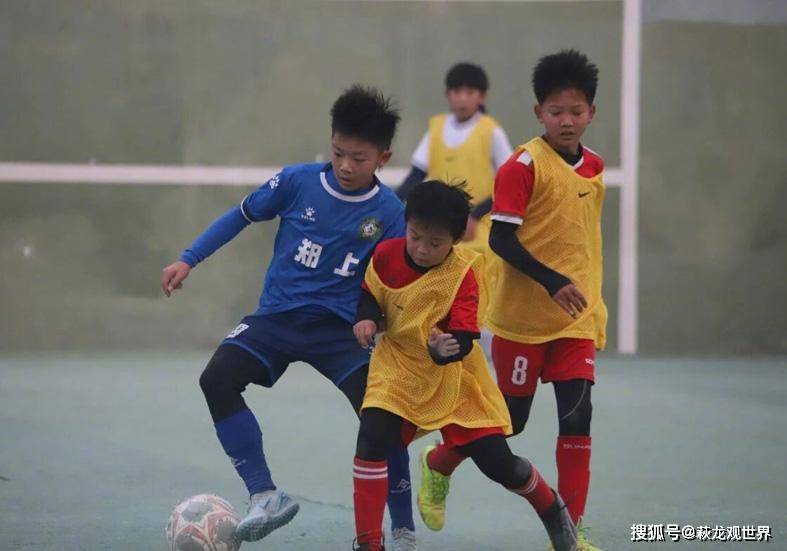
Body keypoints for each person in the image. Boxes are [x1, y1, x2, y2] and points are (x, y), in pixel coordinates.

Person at [160, 85, 417, 549]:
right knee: (216, 378)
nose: (345, 165)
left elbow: (396, 282)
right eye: (338, 152)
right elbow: (239, 216)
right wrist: (188, 258)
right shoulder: (296, 181)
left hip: (341, 333)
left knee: (385, 420)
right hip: (277, 319)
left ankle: (401, 529)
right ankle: (264, 495)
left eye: (358, 158)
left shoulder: (391, 213)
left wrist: (384, 324)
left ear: (383, 157)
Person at [417, 50, 606, 551]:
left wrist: (592, 300)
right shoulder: (522, 166)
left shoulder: (594, 167)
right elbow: (500, 239)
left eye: (577, 111)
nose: (567, 120)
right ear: (539, 112)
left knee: (578, 417)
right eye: (556, 111)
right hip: (522, 321)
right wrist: (551, 281)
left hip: (574, 320)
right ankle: (439, 461)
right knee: (508, 423)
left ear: (591, 113)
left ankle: (571, 531)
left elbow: (585, 241)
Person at [350, 181, 576, 551]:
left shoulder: (463, 273)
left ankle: (551, 509)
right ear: (406, 225)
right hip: (397, 368)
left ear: (455, 241)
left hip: (455, 377)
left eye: (435, 243)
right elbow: (369, 294)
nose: (422, 249)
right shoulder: (385, 254)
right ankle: (368, 543)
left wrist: (443, 349)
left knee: (498, 463)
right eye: (415, 236)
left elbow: (464, 338)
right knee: (372, 438)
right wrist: (366, 319)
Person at [397, 61, 513, 354]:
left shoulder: (490, 131)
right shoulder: (436, 129)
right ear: (448, 95)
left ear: (481, 96)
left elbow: (509, 181)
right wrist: (392, 207)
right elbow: (415, 176)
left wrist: (475, 215)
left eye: (470, 92)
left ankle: (481, 347)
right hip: (440, 228)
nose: (462, 98)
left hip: (478, 230)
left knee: (478, 287)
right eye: (457, 91)